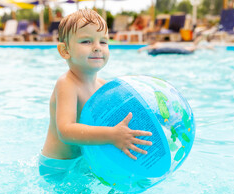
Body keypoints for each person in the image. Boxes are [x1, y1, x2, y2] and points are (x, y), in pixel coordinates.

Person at [40, 9, 153, 178]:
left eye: (104, 42)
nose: (97, 48)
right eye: (86, 41)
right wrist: (112, 135)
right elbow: (66, 131)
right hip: (60, 167)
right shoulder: (67, 84)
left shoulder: (105, 86)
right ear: (65, 51)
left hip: (85, 161)